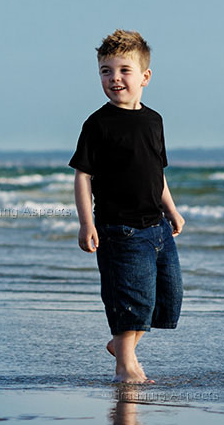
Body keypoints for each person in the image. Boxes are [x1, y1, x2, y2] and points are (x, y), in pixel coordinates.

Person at [69, 29, 185, 384]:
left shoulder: (154, 121)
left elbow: (157, 173)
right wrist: (86, 223)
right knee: (130, 298)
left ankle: (120, 346)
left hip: (158, 228)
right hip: (120, 229)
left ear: (145, 77)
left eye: (123, 70)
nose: (114, 78)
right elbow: (83, 176)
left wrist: (172, 209)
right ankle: (126, 365)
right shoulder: (98, 124)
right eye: (106, 70)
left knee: (166, 298)